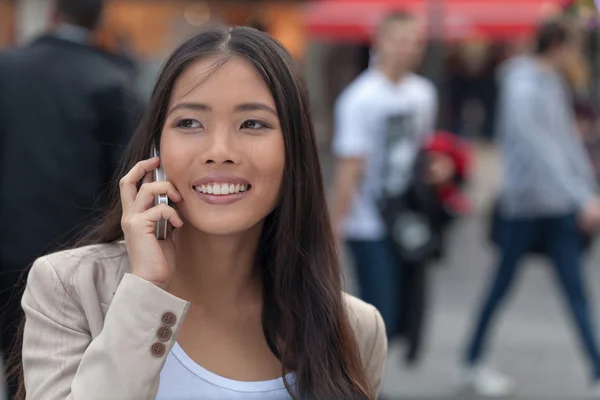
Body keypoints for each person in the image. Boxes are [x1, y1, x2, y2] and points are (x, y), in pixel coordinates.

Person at [9, 25, 388, 400]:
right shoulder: (71, 287)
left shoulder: (354, 327)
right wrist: (145, 290)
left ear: (295, 152)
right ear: (156, 150)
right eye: (189, 123)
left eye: (252, 123)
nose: (219, 150)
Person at [0, 0, 138, 397]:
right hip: (74, 251)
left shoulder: (7, 69)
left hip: (6, 244)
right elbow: (124, 175)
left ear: (53, 15)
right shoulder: (111, 79)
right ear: (101, 21)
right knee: (64, 369)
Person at [463, 19, 600, 397]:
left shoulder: (554, 83)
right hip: (523, 208)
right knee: (500, 288)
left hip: (556, 207)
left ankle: (597, 368)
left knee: (577, 291)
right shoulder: (521, 86)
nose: (574, 55)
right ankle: (472, 361)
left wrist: (586, 190)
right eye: (571, 45)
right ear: (556, 45)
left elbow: (566, 143)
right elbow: (539, 150)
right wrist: (581, 197)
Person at [330, 11, 438, 344]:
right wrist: (335, 227)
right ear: (380, 42)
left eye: (415, 42)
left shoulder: (423, 93)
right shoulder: (360, 98)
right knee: (377, 314)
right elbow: (349, 166)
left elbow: (422, 151)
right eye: (400, 40)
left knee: (408, 312)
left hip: (407, 215)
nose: (408, 49)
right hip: (368, 220)